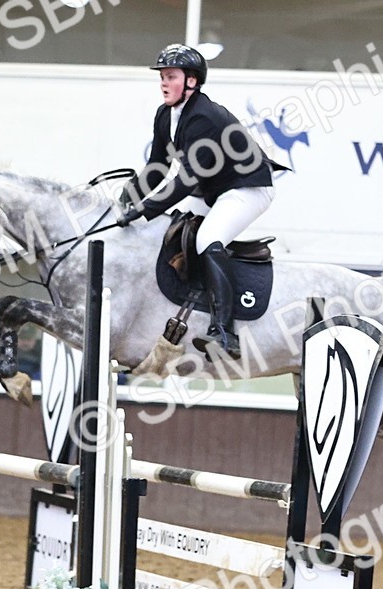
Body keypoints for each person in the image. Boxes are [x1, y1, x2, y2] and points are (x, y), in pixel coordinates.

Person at [115, 44, 281, 360]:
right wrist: (131, 195)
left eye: (171, 76)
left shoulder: (205, 116)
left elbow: (187, 178)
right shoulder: (166, 115)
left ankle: (224, 331)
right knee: (172, 228)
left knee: (207, 238)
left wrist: (144, 209)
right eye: (162, 76)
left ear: (191, 81)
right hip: (214, 190)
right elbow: (158, 166)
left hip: (248, 187)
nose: (163, 83)